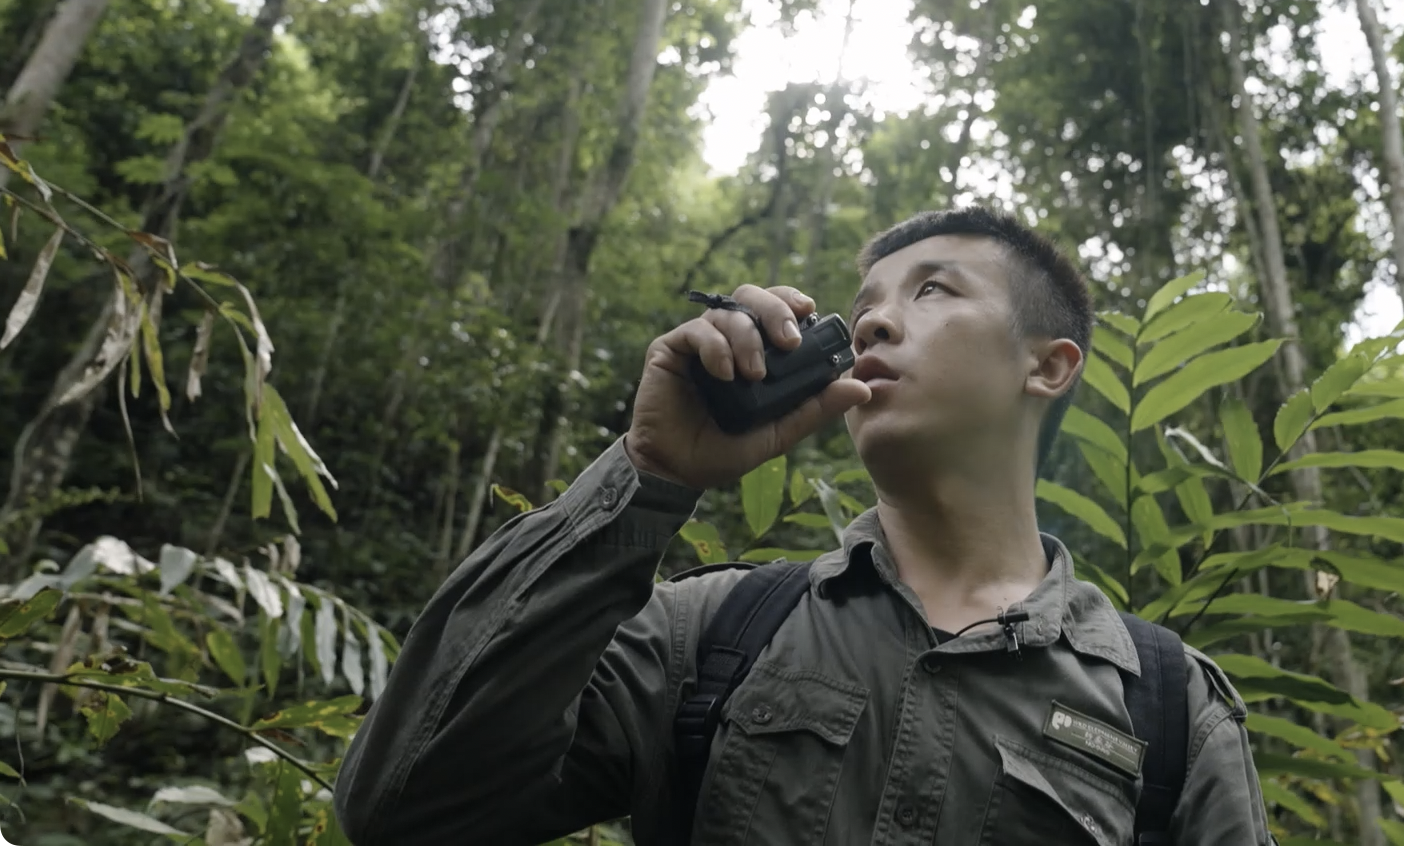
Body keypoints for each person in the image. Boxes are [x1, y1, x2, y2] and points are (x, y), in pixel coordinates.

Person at [333, 206, 1275, 846]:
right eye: (863, 311)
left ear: (1049, 366)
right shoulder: (710, 633)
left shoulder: (1170, 708)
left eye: (933, 292)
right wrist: (650, 477)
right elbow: (405, 806)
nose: (871, 328)